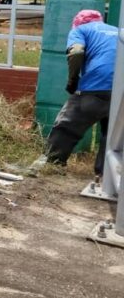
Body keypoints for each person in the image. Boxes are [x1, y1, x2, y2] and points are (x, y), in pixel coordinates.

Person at [45, 10, 118, 176]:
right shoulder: (118, 31)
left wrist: (72, 81)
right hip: (120, 89)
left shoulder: (80, 30)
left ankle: (53, 164)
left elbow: (76, 51)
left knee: (68, 126)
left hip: (95, 86)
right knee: (113, 134)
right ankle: (105, 174)